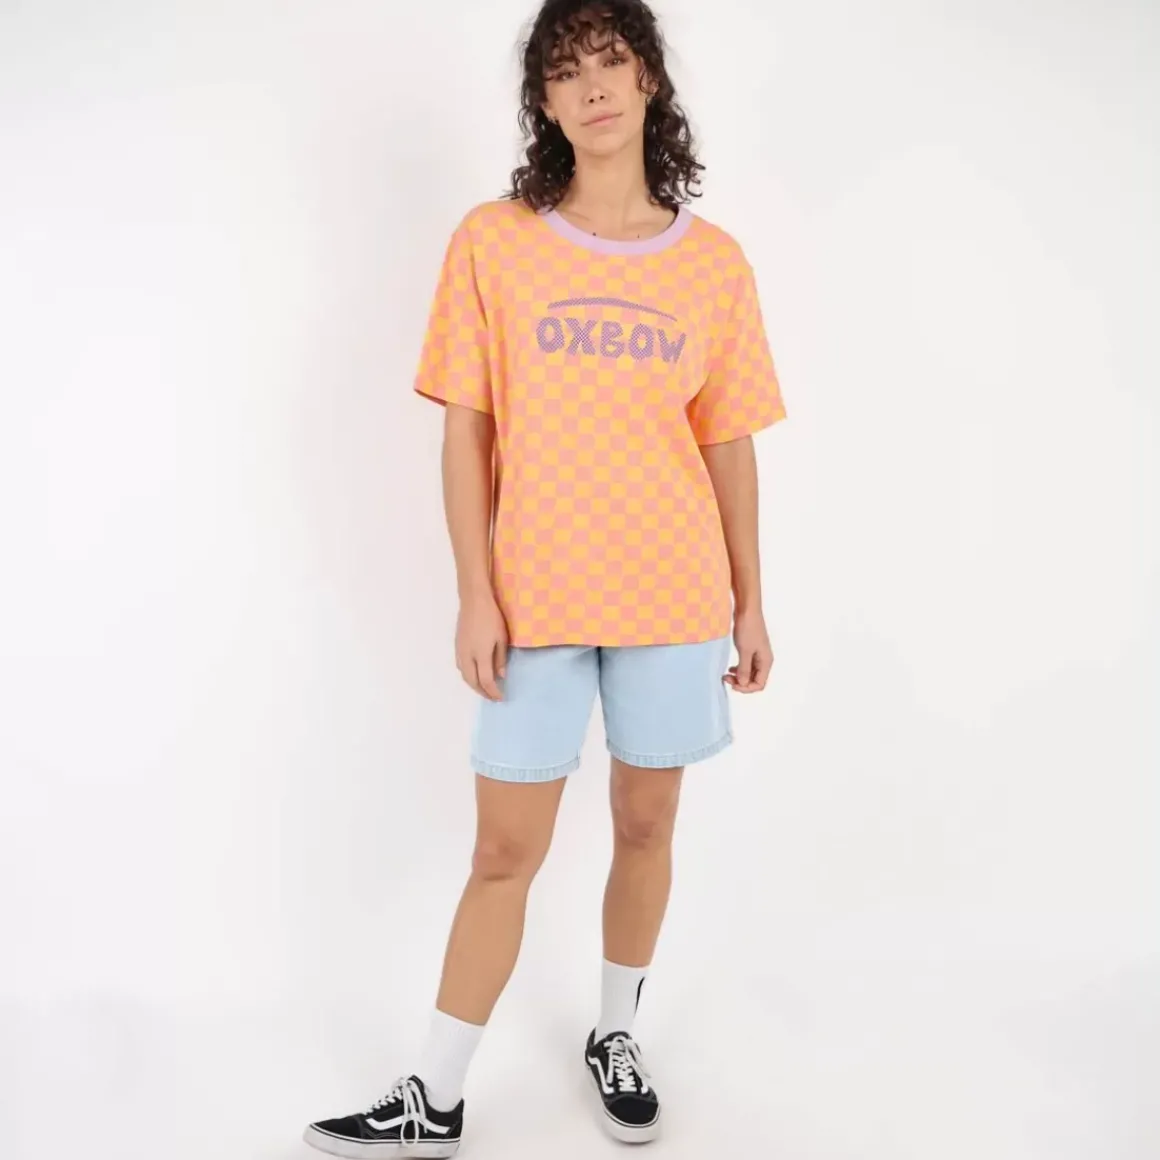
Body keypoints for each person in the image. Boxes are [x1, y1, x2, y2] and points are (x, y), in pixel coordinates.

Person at [304, 0, 786, 1154]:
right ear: (544, 102)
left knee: (644, 821)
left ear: (650, 81)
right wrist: (475, 591)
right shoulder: (494, 242)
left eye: (612, 62)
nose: (593, 87)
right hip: (534, 598)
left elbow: (727, 440)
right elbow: (464, 429)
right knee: (502, 849)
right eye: (566, 71)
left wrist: (750, 597)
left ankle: (614, 1032)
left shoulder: (712, 264)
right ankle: (434, 1093)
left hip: (671, 595)